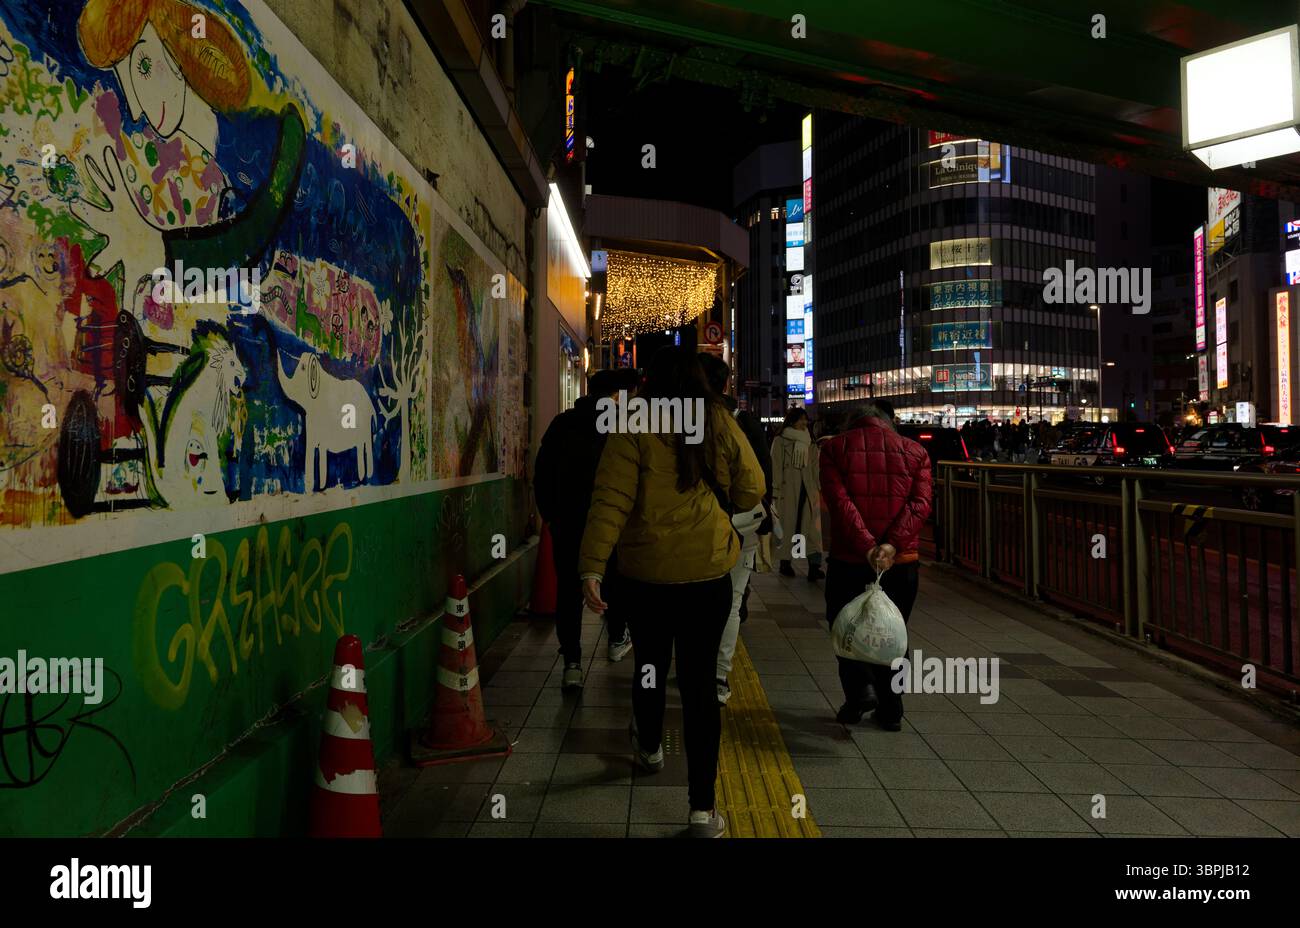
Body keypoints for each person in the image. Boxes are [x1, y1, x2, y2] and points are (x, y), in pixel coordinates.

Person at [579, 347, 763, 838]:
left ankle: (650, 748)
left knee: (648, 666)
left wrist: (592, 567)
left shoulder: (631, 423)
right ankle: (702, 809)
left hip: (645, 577)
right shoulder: (716, 421)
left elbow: (610, 500)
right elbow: (752, 488)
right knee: (701, 688)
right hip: (707, 577)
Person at [819, 402, 932, 730]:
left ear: (851, 424)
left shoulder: (834, 449)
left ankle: (859, 691)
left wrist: (868, 546)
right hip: (901, 561)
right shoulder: (915, 452)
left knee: (845, 625)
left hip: (850, 559)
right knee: (893, 633)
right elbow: (920, 503)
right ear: (887, 422)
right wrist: (891, 544)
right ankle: (892, 708)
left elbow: (839, 503)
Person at [534, 368, 640, 690]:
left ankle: (572, 663)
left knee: (569, 590)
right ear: (616, 396)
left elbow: (542, 474)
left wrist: (551, 517)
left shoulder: (562, 423)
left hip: (568, 524)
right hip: (610, 525)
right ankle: (617, 638)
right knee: (615, 582)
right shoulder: (624, 425)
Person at [698, 353, 771, 707]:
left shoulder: (673, 420)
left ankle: (691, 668)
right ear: (726, 384)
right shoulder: (744, 421)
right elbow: (760, 482)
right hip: (741, 523)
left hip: (691, 526)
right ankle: (717, 676)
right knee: (731, 602)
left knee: (689, 599)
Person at [771, 407, 824, 581]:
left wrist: (818, 488)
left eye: (805, 420)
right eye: (800, 419)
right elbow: (775, 467)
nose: (804, 423)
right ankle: (785, 563)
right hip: (788, 491)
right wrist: (775, 490)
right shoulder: (780, 441)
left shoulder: (811, 442)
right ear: (792, 421)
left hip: (808, 491)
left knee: (811, 531)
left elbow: (816, 468)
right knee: (790, 528)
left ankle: (814, 567)